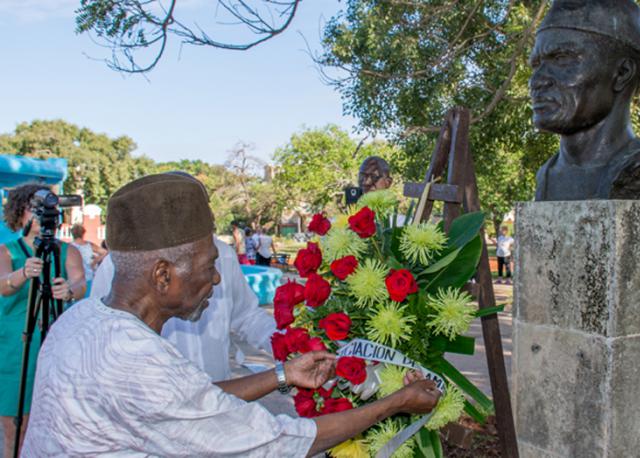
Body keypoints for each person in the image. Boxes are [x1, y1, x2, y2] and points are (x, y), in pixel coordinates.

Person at [23, 173, 440, 456]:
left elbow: (188, 400)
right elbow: (278, 442)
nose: (219, 281)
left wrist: (283, 374)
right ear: (163, 276)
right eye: (209, 267)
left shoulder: (81, 322)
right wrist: (397, 401)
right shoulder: (136, 360)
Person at [90, 175, 276, 379]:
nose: (216, 278)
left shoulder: (224, 254)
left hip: (218, 389)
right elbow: (105, 333)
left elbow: (247, 316)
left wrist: (289, 347)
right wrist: (282, 377)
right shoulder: (122, 266)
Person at [531, 0, 640, 201]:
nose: (537, 80)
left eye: (562, 59)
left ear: (621, 73)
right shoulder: (546, 176)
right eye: (536, 64)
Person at [0, 184, 86, 457]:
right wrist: (21, 274)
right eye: (31, 209)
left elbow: (80, 282)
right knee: (17, 424)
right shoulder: (7, 251)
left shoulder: (66, 251)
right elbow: (2, 285)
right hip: (17, 347)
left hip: (56, 343)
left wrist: (70, 291)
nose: (38, 215)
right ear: (19, 213)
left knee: (58, 421)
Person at [70, 223, 107, 294]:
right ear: (83, 233)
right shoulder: (89, 245)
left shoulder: (69, 247)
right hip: (89, 277)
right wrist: (95, 261)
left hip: (74, 279)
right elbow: (105, 252)